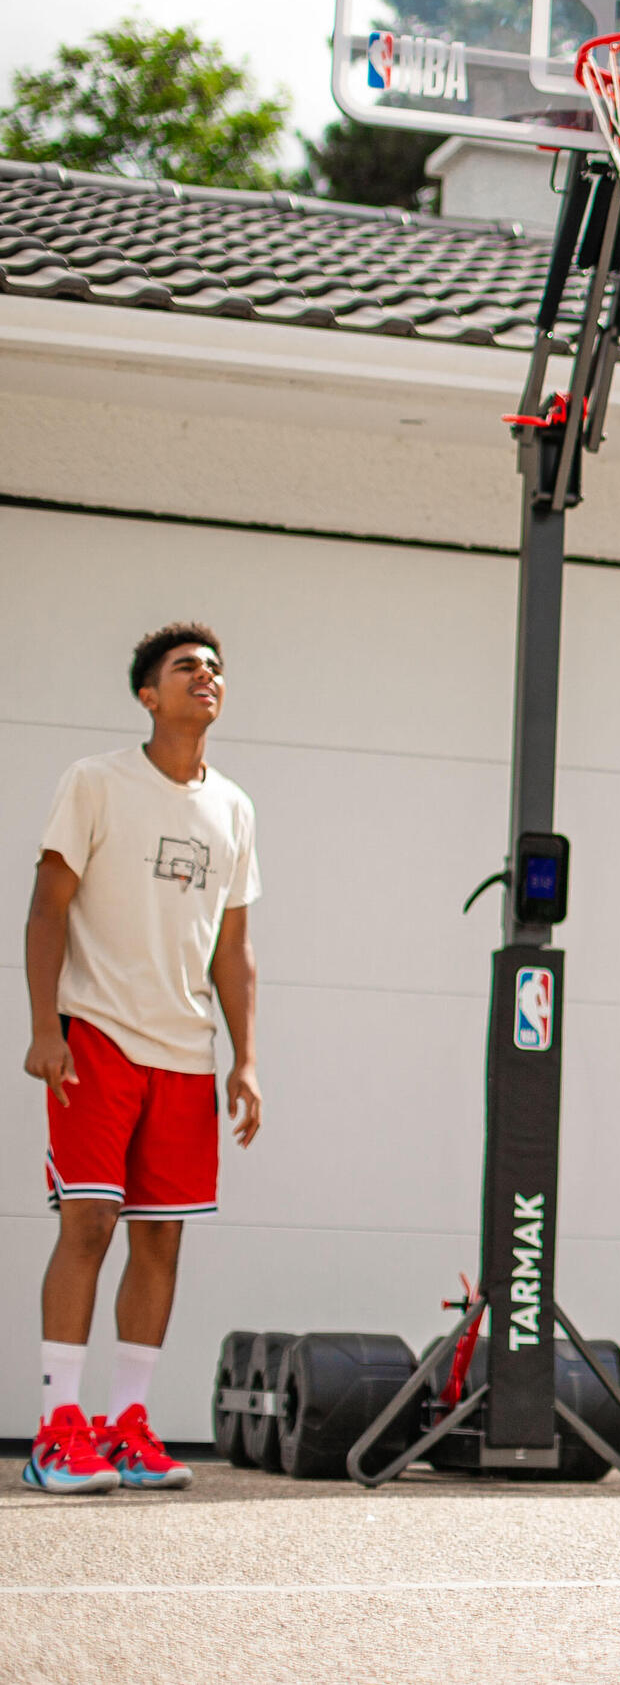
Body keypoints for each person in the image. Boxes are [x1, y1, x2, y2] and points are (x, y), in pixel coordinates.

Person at [21, 624, 263, 1494]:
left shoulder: (233, 807)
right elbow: (48, 908)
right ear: (147, 696)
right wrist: (45, 1025)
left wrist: (244, 1060)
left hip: (184, 1054)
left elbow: (233, 950)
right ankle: (58, 1428)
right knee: (89, 1224)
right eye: (184, 667)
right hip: (96, 1035)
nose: (206, 677)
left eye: (214, 668)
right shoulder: (95, 783)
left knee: (161, 1237)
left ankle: (126, 1424)